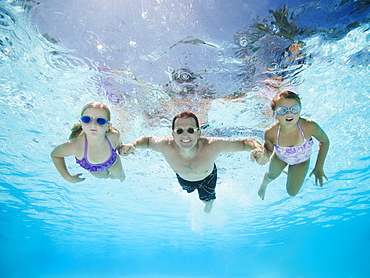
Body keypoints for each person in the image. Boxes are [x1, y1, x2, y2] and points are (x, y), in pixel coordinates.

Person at [120, 111, 268, 213]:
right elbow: (146, 141)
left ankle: (209, 204)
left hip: (208, 178)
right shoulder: (165, 145)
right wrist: (132, 144)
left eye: (191, 130)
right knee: (188, 190)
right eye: (179, 131)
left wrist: (259, 149)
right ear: (172, 134)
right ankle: (195, 193)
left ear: (199, 132)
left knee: (206, 199)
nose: (185, 135)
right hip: (183, 178)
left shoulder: (212, 145)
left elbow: (244, 143)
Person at [257, 91, 329, 200]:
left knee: (292, 192)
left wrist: (319, 167)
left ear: (300, 109)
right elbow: (268, 151)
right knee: (272, 176)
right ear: (274, 114)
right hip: (279, 157)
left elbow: (325, 142)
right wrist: (260, 154)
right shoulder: (271, 133)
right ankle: (264, 184)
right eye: (282, 110)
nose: (289, 114)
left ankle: (287, 171)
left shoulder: (309, 126)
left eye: (294, 109)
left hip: (301, 161)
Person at [51, 102, 126, 183]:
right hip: (94, 169)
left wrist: (122, 148)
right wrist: (68, 177)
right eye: (87, 120)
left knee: (120, 176)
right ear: (81, 122)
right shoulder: (76, 146)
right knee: (105, 176)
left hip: (112, 161)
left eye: (100, 121)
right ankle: (109, 177)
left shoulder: (113, 136)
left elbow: (118, 145)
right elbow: (55, 155)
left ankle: (119, 178)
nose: (93, 124)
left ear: (108, 126)